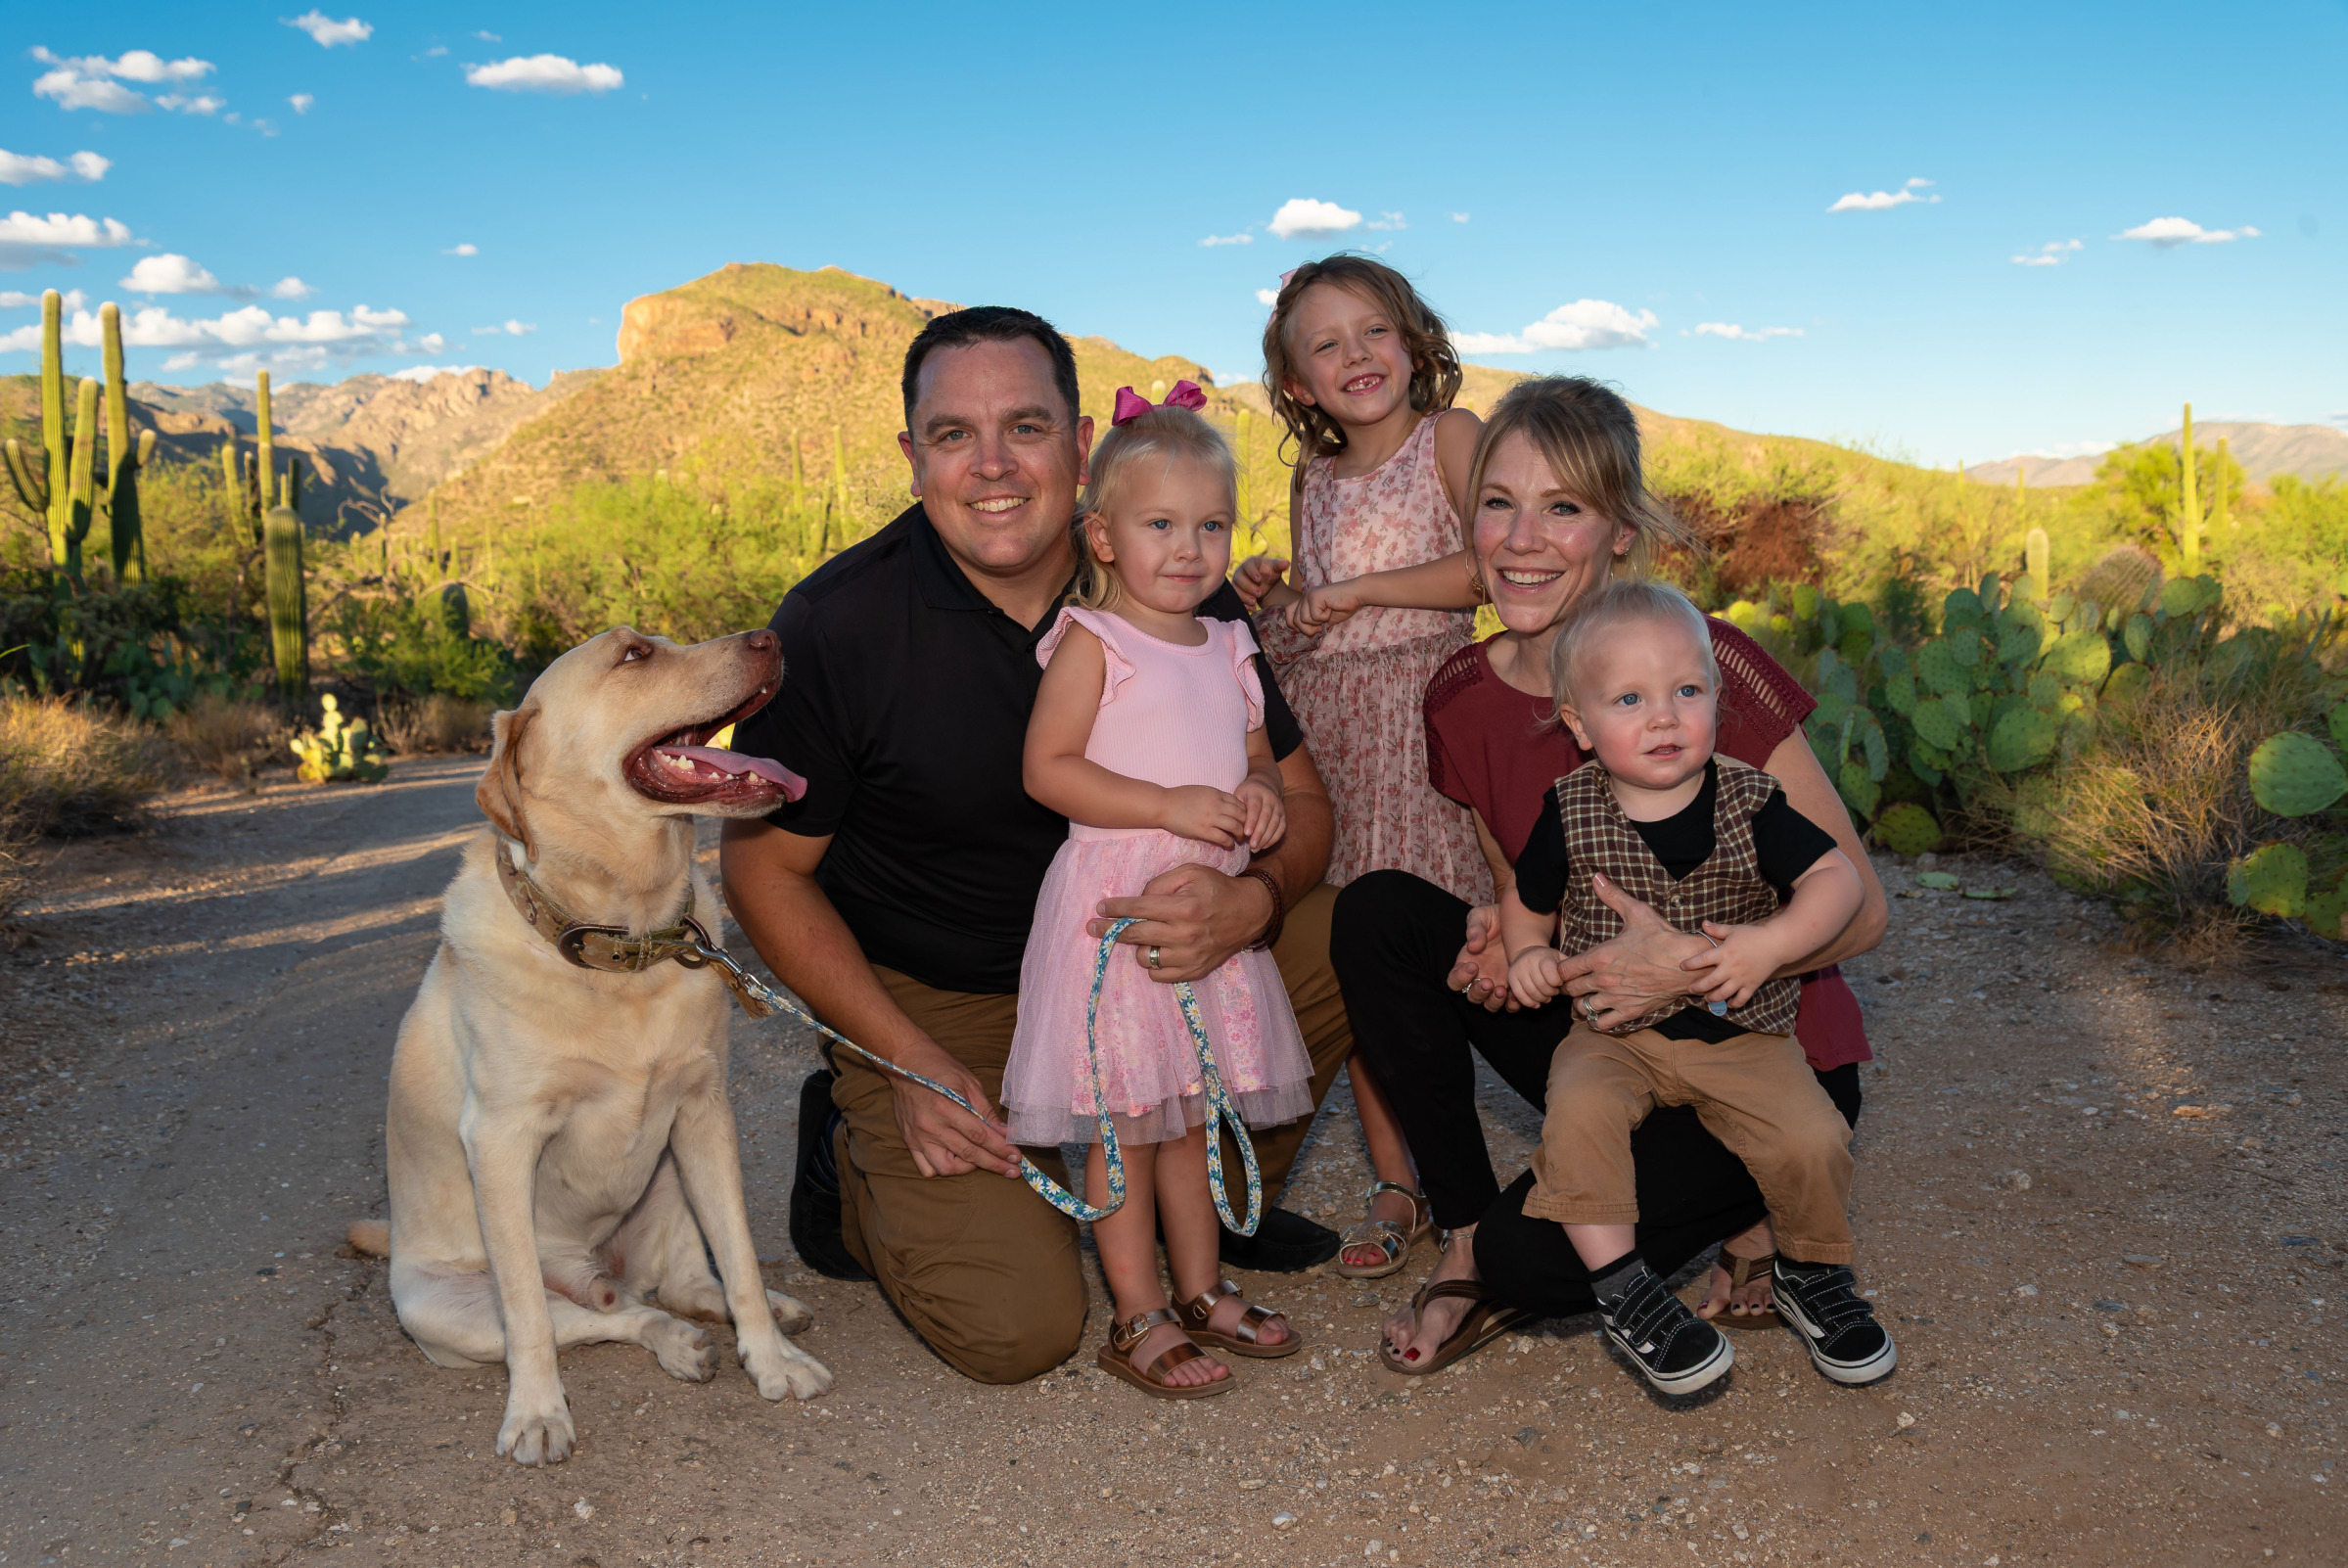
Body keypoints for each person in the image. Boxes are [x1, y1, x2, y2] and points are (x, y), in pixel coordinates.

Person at [719, 307, 1352, 1388]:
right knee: (1018, 1328)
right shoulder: (839, 625)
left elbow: (1300, 796)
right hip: (946, 1004)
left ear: (1079, 444)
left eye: (1024, 426)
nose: (993, 465)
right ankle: (852, 1155)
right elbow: (760, 871)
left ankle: (1188, 1219)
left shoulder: (1176, 577)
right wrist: (903, 1057)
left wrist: (1253, 902)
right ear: (912, 456)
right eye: (952, 435)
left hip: (1159, 956)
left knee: (1352, 931)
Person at [1312, 375, 1886, 1372]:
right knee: (1376, 915)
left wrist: (1687, 965)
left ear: (1619, 531)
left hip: (1764, 1042)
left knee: (1535, 1268)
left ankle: (1760, 1211)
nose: (1520, 539)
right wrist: (1507, 927)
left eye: (1563, 508)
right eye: (1498, 502)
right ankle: (1461, 1234)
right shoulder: (1459, 693)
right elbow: (1517, 867)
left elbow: (1863, 910)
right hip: (1610, 1035)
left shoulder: (1696, 670)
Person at [1498, 578, 1892, 1394]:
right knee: (1578, 1112)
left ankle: (1809, 1269)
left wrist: (1771, 943)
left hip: (1740, 1034)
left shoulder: (1751, 802)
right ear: (1578, 725)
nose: (1663, 717)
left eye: (1685, 691)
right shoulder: (1568, 811)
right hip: (1613, 1034)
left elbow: (1839, 881)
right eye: (1629, 698)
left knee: (1811, 1135)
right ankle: (1623, 1289)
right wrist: (1526, 949)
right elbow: (1523, 895)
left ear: (1716, 698)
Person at [1009, 388, 1312, 1398]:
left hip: (1206, 914)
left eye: (1210, 526)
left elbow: (1256, 752)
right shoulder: (1092, 640)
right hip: (1119, 911)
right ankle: (1134, 1310)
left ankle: (1200, 1287)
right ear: (1102, 535)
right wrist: (1167, 805)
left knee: (1190, 1117)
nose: (1188, 549)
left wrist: (1260, 794)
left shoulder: (1230, 644)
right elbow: (1047, 769)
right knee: (1123, 1124)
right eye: (1159, 525)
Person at [1231, 255, 1487, 1280]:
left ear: (1413, 341)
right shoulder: (1312, 476)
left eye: (1373, 330)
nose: (1356, 355)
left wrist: (1362, 589)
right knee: (1357, 971)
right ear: (1299, 385)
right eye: (1325, 346)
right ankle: (1395, 1182)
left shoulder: (1450, 439)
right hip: (1334, 736)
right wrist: (1278, 599)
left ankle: (1470, 1184)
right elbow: (1319, 613)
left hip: (1423, 725)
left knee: (1452, 952)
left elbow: (1492, 564)